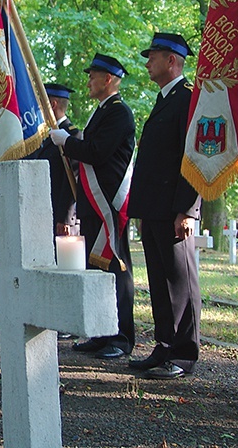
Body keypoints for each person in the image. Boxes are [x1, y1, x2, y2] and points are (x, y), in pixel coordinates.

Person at [50, 53, 135, 359]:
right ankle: (101, 332)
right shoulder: (102, 112)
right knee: (95, 269)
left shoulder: (119, 113)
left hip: (108, 204)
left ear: (108, 80)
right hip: (93, 204)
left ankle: (122, 336)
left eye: (93, 76)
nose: (88, 82)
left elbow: (98, 153)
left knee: (115, 270)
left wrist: (68, 143)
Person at [126, 33, 202, 380]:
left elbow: (196, 156)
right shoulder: (165, 99)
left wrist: (187, 208)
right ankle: (165, 345)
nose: (147, 62)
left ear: (172, 60)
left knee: (179, 280)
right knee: (159, 280)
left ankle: (184, 353)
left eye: (153, 56)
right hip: (155, 208)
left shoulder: (187, 99)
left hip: (174, 209)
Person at [30, 83, 82, 235]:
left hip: (59, 217)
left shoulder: (73, 136)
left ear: (52, 104)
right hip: (43, 212)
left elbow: (72, 179)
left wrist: (65, 217)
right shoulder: (45, 136)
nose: (38, 108)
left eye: (40, 104)